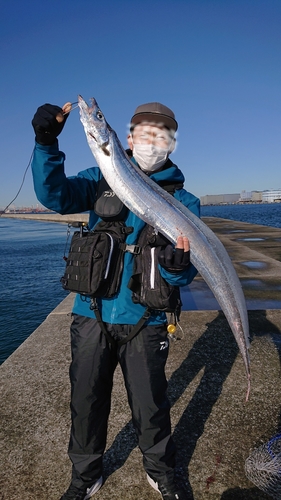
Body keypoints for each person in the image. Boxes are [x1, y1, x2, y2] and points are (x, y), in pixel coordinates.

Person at [31, 100, 200, 500]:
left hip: (147, 319)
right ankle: (86, 475)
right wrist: (45, 143)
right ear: (126, 137)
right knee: (85, 401)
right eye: (145, 131)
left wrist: (177, 265)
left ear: (172, 143)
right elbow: (54, 195)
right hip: (91, 313)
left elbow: (185, 272)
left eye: (162, 134)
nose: (152, 140)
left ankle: (160, 471)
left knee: (151, 404)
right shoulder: (99, 176)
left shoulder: (185, 201)